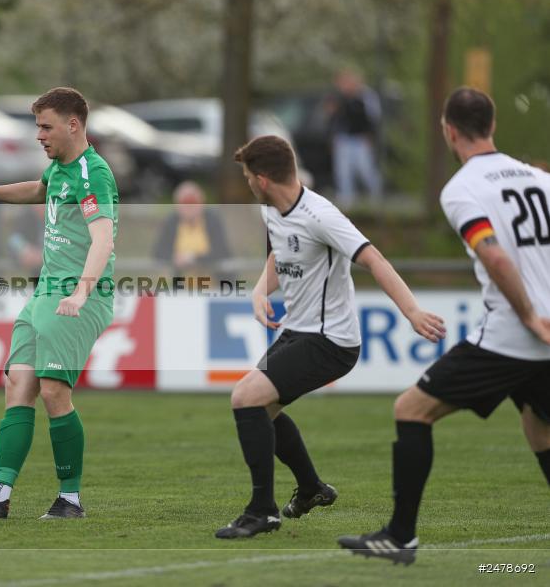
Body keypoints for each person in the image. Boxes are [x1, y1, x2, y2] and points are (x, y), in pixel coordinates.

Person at [339, 87, 550, 564]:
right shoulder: (541, 180)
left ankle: (400, 536)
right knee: (539, 426)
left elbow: (494, 255)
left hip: (514, 335)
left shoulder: (462, 188)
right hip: (545, 336)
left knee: (412, 409)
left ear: (448, 130)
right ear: (493, 126)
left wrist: (529, 316)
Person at [215, 135, 445, 540]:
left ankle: (262, 511)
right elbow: (280, 254)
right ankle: (311, 489)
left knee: (245, 397)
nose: (248, 183)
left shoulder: (322, 215)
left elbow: (373, 259)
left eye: (249, 176)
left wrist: (411, 312)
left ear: (264, 179)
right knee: (260, 412)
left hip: (331, 341)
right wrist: (258, 291)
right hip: (298, 331)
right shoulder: (275, 212)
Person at [0, 87, 118, 520]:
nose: (38, 135)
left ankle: (70, 500)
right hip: (44, 293)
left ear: (73, 124)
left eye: (45, 126)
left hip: (76, 297)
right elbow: (37, 191)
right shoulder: (59, 168)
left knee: (55, 390)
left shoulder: (93, 174)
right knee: (18, 384)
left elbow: (103, 237)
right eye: (37, 125)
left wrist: (81, 291)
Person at [153, 181, 231, 283]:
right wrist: (174, 258)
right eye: (185, 202)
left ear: (202, 203)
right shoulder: (171, 222)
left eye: (193, 201)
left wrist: (194, 259)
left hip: (212, 285)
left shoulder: (213, 221)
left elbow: (222, 252)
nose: (189, 207)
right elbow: (158, 253)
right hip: (179, 286)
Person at [328, 69, 382, 207]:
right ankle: (346, 200)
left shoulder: (365, 96)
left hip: (360, 139)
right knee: (343, 171)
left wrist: (370, 135)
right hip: (343, 138)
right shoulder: (338, 97)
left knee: (365, 169)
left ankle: (376, 196)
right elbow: (333, 118)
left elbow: (373, 118)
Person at [7, 203, 45, 278]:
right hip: (31, 264)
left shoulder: (60, 219)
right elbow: (13, 238)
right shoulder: (26, 216)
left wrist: (43, 255)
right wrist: (24, 250)